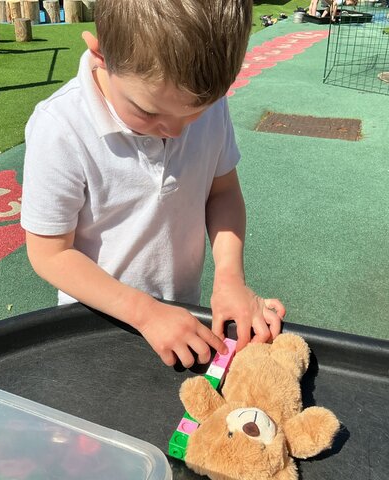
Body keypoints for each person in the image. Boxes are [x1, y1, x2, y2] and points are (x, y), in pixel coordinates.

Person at [21, 0, 286, 369]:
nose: (176, 130)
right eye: (148, 111)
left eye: (195, 112)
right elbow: (50, 254)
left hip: (182, 315)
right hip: (95, 324)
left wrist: (229, 278)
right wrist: (145, 313)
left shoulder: (202, 100)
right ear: (101, 54)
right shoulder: (60, 128)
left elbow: (222, 192)